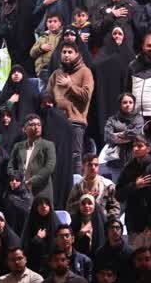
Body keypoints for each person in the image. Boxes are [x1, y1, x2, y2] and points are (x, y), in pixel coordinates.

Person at [46, 42, 93, 175]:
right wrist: (47, 100)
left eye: (70, 52)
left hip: (75, 121)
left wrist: (70, 85)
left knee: (74, 155)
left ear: (77, 54)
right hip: (57, 121)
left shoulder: (85, 72)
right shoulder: (56, 73)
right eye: (64, 52)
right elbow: (48, 93)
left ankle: (75, 183)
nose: (66, 55)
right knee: (55, 155)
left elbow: (86, 96)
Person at [8, 114, 56, 205]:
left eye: (39, 125)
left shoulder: (48, 145)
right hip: (20, 190)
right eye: (32, 125)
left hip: (41, 190)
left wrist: (31, 181)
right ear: (24, 129)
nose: (36, 127)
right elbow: (10, 166)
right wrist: (15, 179)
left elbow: (49, 167)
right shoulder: (18, 146)